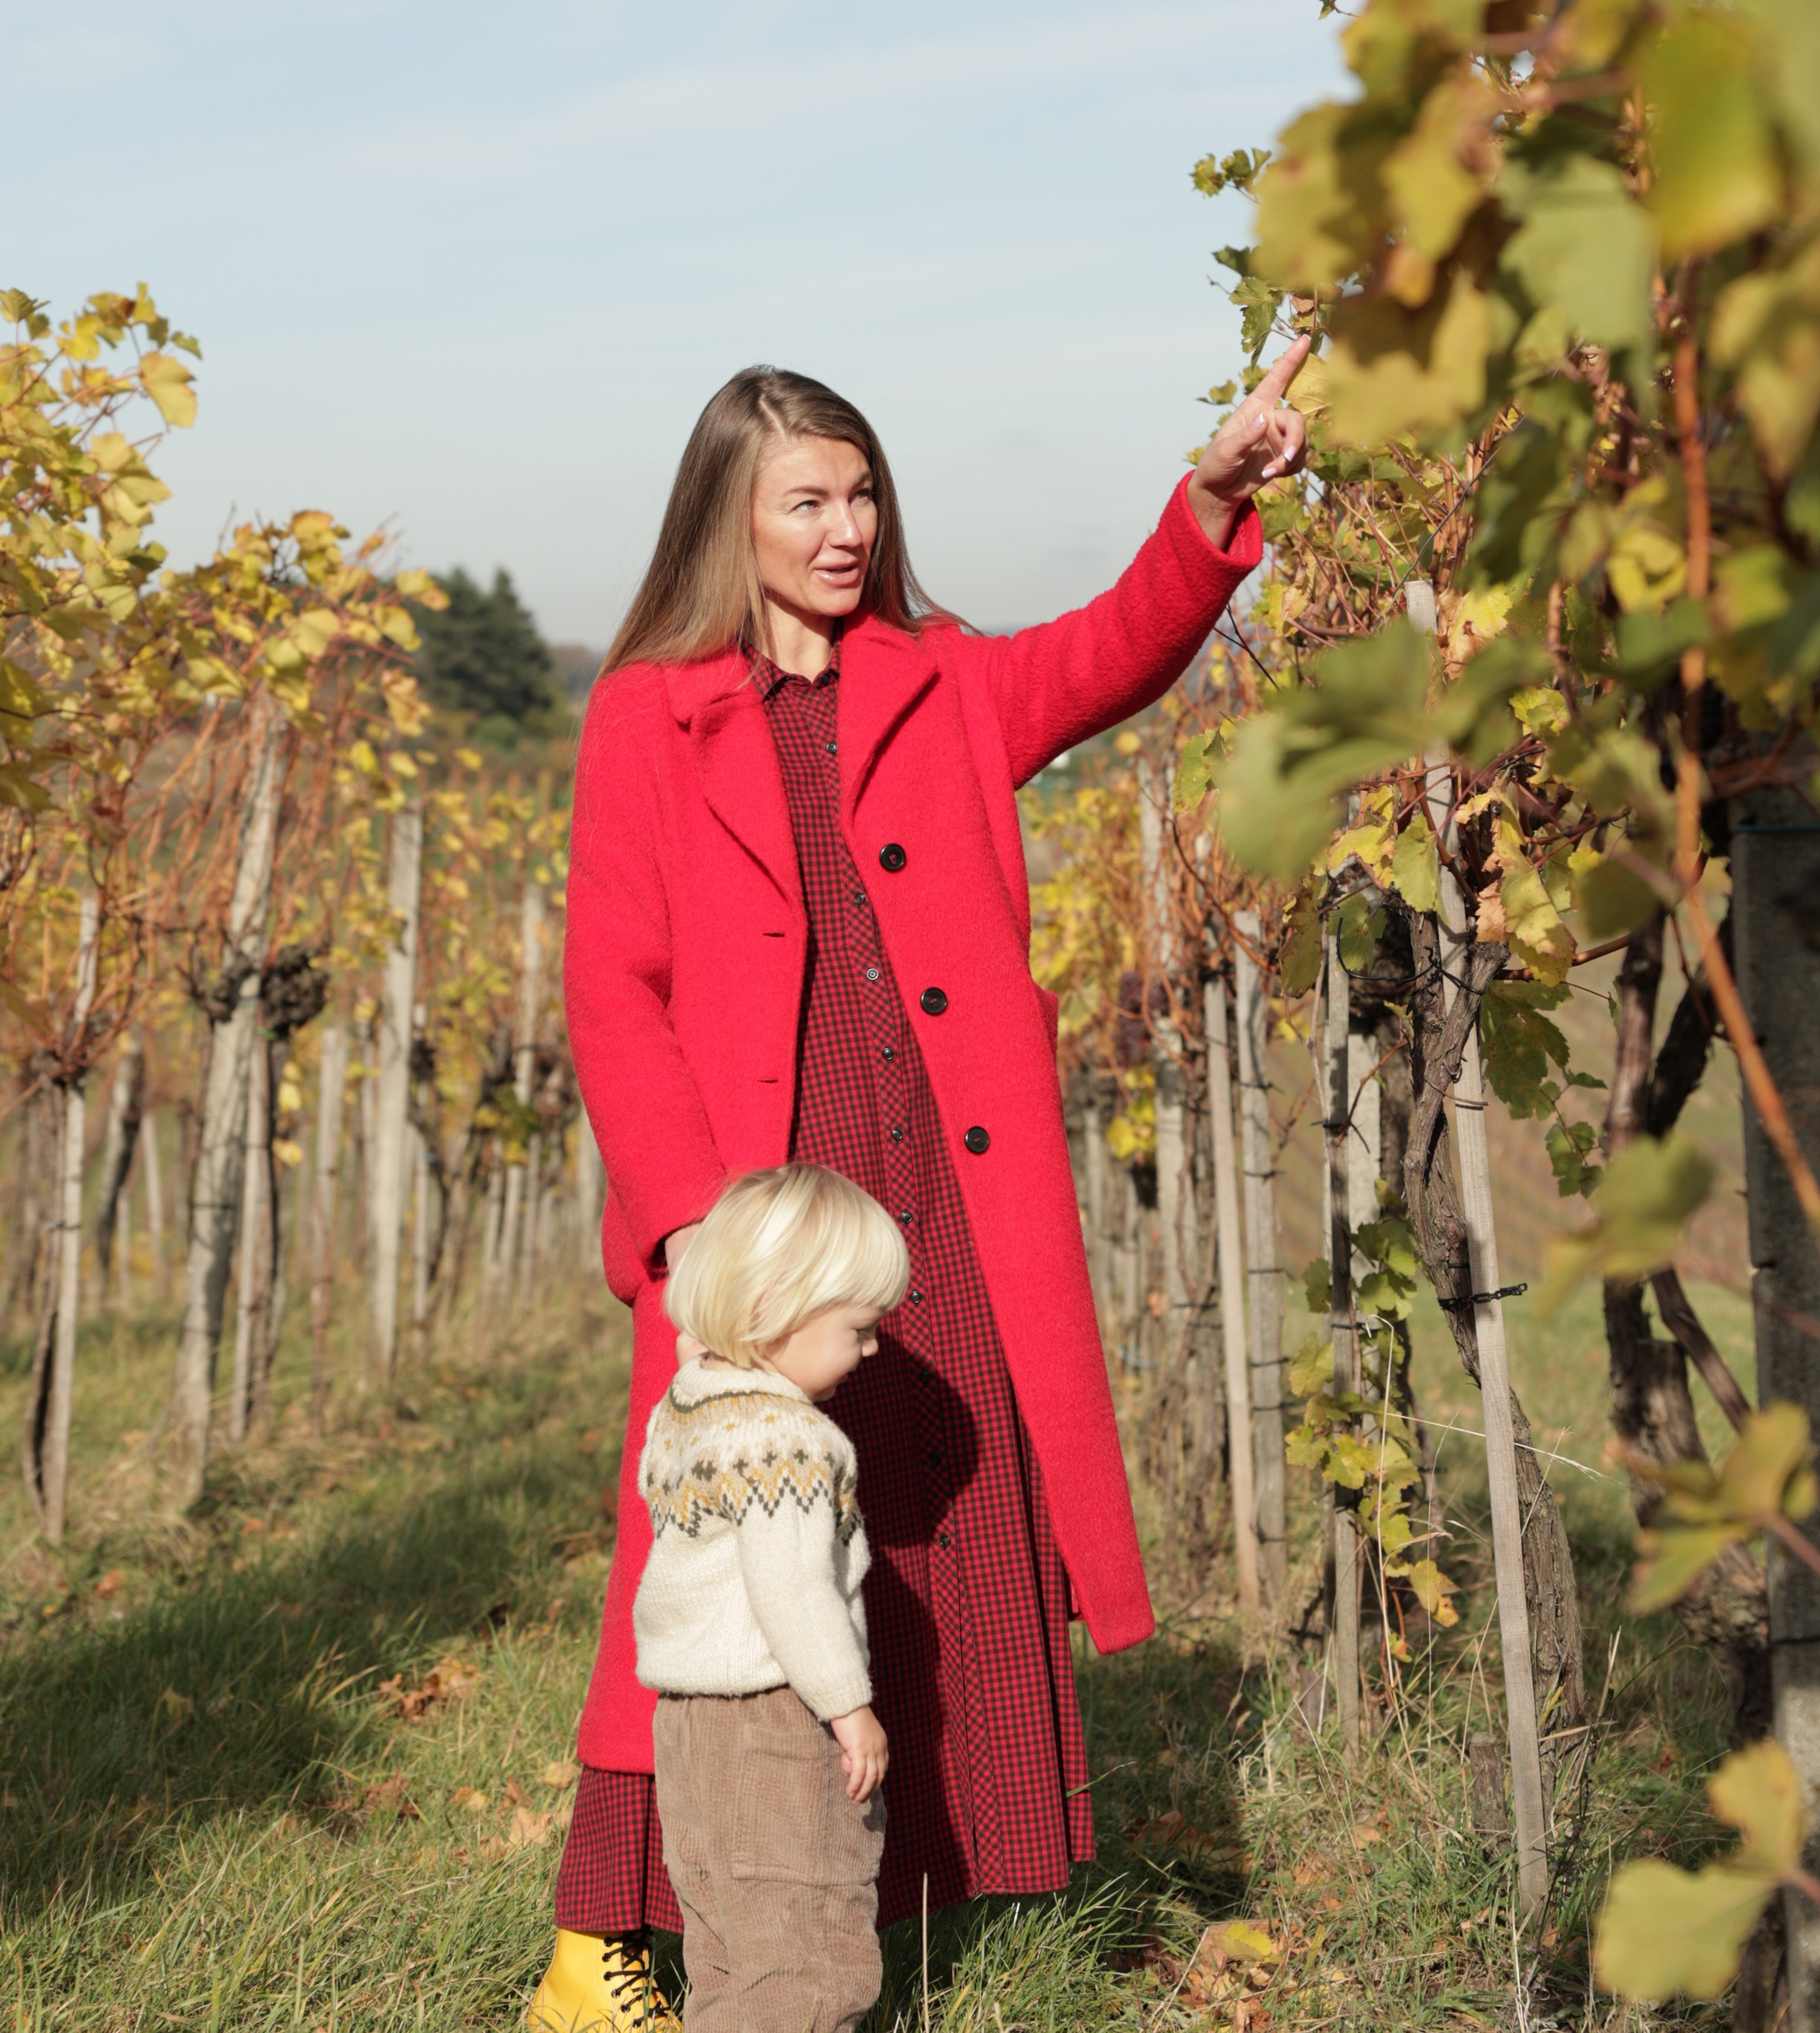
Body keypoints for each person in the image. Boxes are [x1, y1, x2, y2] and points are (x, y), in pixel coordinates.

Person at [531, 345, 1309, 2031]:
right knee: (728, 1545)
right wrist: (690, 1227)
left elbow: (1107, 650)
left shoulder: (939, 678)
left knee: (934, 1510)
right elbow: (613, 985)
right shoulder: (647, 709)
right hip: (755, 1214)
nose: (843, 528)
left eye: (861, 493)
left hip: (940, 1188)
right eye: (804, 501)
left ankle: (917, 1886)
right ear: (728, 521)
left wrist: (1207, 501)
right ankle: (606, 1944)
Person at [630, 1163, 907, 2033]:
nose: (872, 1349)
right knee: (805, 1940)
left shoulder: (691, 1405)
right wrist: (849, 1707)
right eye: (859, 1328)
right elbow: (793, 1592)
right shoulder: (787, 1437)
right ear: (774, 1312)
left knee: (725, 1936)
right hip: (775, 1717)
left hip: (688, 1725)